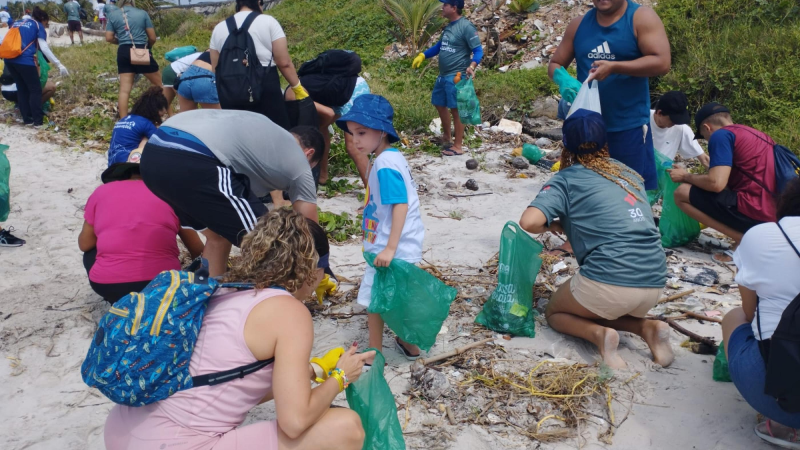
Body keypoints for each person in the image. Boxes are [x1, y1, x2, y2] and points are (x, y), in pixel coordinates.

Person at [103, 208, 370, 450]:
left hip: (122, 430)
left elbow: (234, 387)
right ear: (312, 270)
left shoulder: (221, 288)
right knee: (345, 428)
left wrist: (313, 370)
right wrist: (340, 378)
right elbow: (295, 421)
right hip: (171, 442)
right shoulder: (290, 313)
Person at [519, 109, 672, 370]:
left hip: (609, 282)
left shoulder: (565, 179)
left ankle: (600, 336)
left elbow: (528, 222)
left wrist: (550, 224)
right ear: (606, 142)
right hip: (655, 281)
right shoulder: (628, 173)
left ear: (565, 146)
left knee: (555, 313)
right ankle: (647, 327)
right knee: (605, 305)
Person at [139, 109, 320, 277]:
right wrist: (320, 269)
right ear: (308, 154)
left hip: (152, 157)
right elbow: (310, 231)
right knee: (272, 241)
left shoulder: (264, 134)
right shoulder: (298, 160)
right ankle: (280, 305)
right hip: (191, 156)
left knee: (217, 235)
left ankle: (206, 295)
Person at [336, 94, 426, 362]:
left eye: (362, 132)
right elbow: (390, 200)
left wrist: (389, 248)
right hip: (395, 245)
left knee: (381, 300)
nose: (355, 140)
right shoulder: (390, 157)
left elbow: (400, 205)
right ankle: (403, 346)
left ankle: (380, 350)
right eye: (352, 134)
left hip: (391, 248)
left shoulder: (385, 163)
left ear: (382, 131)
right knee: (386, 298)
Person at [549, 0, 670, 192]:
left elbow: (662, 62)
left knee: (629, 192)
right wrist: (564, 80)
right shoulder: (578, 25)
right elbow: (555, 63)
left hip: (627, 126)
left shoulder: (641, 18)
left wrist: (615, 67)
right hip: (586, 128)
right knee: (587, 192)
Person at [721, 178, 800, 447]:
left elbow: (749, 311)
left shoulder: (762, 235)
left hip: (781, 397)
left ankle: (786, 425)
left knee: (734, 317)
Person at [79, 158, 204, 304]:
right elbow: (198, 251)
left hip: (108, 286)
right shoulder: (170, 194)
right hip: (163, 286)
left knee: (91, 251)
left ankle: (117, 300)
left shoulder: (101, 192)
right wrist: (202, 282)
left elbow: (84, 244)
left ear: (124, 174)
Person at [668, 103, 777, 245]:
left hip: (759, 212)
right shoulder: (757, 134)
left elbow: (716, 183)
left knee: (681, 193)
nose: (708, 141)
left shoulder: (720, 136)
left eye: (705, 137)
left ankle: (741, 239)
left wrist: (685, 176)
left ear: (707, 127)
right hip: (778, 213)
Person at [209, 0, 308, 130]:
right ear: (257, 2)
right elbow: (284, 62)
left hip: (231, 91)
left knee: (242, 138)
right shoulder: (268, 21)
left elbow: (216, 68)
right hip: (265, 87)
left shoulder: (219, 28)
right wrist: (297, 88)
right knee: (276, 134)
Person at [412, 0, 483, 156]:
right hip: (443, 76)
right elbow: (439, 47)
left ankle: (458, 146)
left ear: (454, 8)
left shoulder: (466, 27)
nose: (442, 7)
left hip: (456, 76)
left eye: (445, 5)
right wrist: (423, 55)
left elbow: (478, 51)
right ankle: (446, 137)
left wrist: (472, 66)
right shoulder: (449, 27)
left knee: (456, 110)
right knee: (438, 103)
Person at [287, 73, 371, 186]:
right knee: (320, 129)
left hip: (353, 90)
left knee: (353, 145)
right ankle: (323, 175)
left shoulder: (292, 95)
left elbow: (329, 114)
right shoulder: (293, 95)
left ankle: (374, 192)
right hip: (339, 90)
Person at [3, 8, 69, 127]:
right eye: (46, 23)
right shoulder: (37, 26)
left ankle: (27, 120)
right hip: (24, 60)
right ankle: (38, 122)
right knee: (35, 90)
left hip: (9, 60)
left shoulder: (17, 23)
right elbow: (44, 47)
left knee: (22, 89)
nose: (45, 25)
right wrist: (59, 64)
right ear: (43, 19)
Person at [105, 0, 160, 118]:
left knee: (124, 90)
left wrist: (121, 42)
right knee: (160, 85)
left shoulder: (113, 15)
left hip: (123, 51)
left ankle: (123, 120)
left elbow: (109, 37)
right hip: (140, 50)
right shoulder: (142, 13)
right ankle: (171, 116)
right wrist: (148, 46)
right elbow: (153, 37)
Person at [107, 86, 167, 166]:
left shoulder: (123, 120)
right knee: (149, 138)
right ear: (155, 111)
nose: (161, 118)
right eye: (161, 115)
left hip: (112, 164)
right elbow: (161, 143)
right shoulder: (146, 124)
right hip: (128, 165)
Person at [650, 91, 709, 167]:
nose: (676, 123)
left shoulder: (681, 129)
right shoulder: (641, 121)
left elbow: (704, 159)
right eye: (673, 120)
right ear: (659, 113)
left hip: (660, 174)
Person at [160, 50, 201, 116]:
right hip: (175, 73)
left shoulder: (204, 54)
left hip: (169, 70)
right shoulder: (208, 58)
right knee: (189, 110)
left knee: (162, 106)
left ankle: (147, 120)